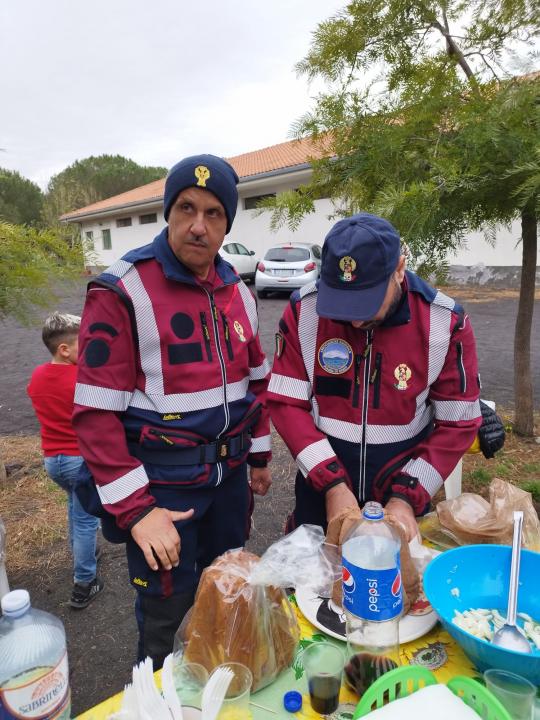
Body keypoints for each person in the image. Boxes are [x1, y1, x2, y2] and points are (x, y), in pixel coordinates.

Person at [72, 154, 272, 666]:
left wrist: (260, 459)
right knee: (165, 618)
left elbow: (256, 384)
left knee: (227, 597)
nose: (197, 226)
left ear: (227, 223)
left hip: (228, 486)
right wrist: (137, 511)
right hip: (165, 494)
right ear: (169, 211)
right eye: (186, 208)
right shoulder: (123, 289)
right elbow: (94, 418)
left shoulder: (238, 293)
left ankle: (224, 691)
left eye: (213, 213)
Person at [267, 212, 482, 541]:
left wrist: (407, 496)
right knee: (311, 589)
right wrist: (331, 485)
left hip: (404, 494)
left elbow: (458, 424)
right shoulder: (304, 312)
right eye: (340, 301)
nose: (353, 322)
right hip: (319, 493)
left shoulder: (444, 323)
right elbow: (285, 405)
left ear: (399, 269)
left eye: (365, 302)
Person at [27, 312, 103, 609]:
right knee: (86, 520)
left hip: (53, 462)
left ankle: (83, 553)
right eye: (82, 346)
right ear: (64, 349)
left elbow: (36, 397)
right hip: (78, 460)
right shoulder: (80, 380)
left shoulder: (37, 376)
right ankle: (84, 582)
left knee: (75, 507)